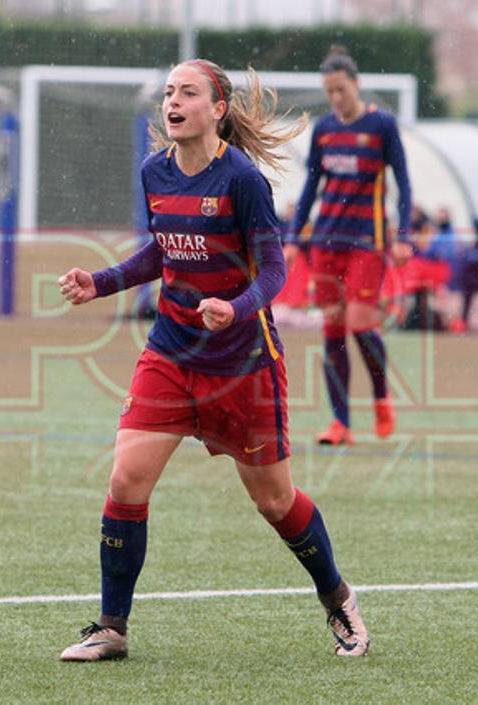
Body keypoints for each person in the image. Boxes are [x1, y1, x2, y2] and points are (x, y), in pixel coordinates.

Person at [57, 58, 369, 661]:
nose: (172, 101)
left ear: (217, 108)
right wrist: (101, 282)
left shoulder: (243, 180)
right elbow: (162, 250)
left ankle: (339, 599)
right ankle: (111, 627)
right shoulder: (154, 171)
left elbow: (275, 269)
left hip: (244, 363)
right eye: (169, 91)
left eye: (187, 92)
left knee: (275, 501)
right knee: (126, 479)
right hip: (172, 352)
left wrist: (237, 306)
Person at [283, 46, 412, 446]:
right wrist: (293, 237)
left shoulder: (381, 125)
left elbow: (403, 182)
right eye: (330, 91)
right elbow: (310, 187)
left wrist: (404, 234)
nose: (336, 97)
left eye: (341, 88)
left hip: (366, 241)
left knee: (360, 324)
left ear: (356, 84)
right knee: (333, 329)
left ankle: (381, 397)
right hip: (325, 241)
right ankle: (341, 423)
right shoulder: (324, 129)